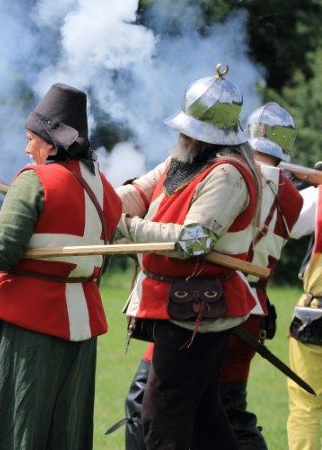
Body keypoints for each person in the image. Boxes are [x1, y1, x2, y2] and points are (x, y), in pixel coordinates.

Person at [0, 83, 123, 450]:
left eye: (32, 139)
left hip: (26, 323)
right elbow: (98, 263)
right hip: (81, 327)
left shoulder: (34, 179)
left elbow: (2, 251)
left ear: (51, 143)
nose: (28, 148)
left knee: (12, 426)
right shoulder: (106, 191)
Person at [117, 102, 303, 450]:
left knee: (162, 417)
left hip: (198, 311)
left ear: (208, 135)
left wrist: (124, 227)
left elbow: (192, 241)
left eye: (190, 129)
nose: (181, 134)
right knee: (208, 420)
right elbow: (140, 192)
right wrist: (101, 204)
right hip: (182, 304)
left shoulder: (228, 172)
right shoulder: (185, 160)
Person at [220, 102, 303, 449]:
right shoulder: (294, 197)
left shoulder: (229, 176)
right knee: (231, 411)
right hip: (254, 308)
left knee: (149, 399)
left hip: (212, 302)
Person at [286, 173, 322, 449]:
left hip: (317, 311)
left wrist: (288, 185)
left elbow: (291, 224)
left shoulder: (319, 197)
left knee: (305, 405)